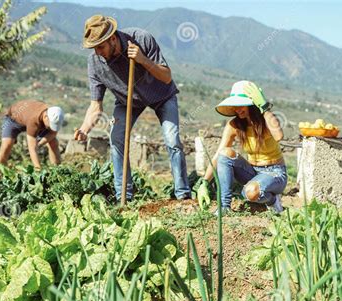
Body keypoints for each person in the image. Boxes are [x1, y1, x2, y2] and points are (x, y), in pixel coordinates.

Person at [75, 15, 191, 201]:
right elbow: (95, 105)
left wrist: (143, 60)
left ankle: (183, 195)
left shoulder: (141, 38)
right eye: (93, 48)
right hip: (127, 100)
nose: (97, 52)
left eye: (100, 47)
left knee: (172, 139)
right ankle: (125, 198)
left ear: (112, 38)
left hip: (161, 95)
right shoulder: (95, 64)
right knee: (116, 140)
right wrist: (84, 129)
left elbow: (167, 77)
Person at [196, 80, 287, 215]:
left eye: (241, 105)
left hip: (275, 172)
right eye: (235, 105)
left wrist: (265, 107)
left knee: (250, 193)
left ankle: (272, 200)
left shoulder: (266, 119)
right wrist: (204, 182)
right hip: (252, 172)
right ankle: (224, 207)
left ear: (252, 104)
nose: (237, 109)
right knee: (224, 153)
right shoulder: (234, 125)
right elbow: (218, 155)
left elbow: (279, 135)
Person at [0, 100, 64, 179]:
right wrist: (39, 171)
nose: (51, 127)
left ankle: (57, 171)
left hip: (29, 118)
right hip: (13, 120)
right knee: (7, 144)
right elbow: (32, 148)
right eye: (51, 125)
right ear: (45, 117)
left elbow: (53, 133)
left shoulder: (55, 115)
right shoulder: (34, 119)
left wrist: (40, 144)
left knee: (53, 142)